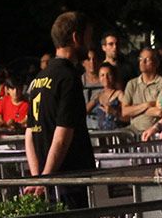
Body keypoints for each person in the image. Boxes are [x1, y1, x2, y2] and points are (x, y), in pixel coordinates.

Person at [25, 11, 96, 202]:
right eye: (88, 37)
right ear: (76, 37)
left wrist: (37, 176)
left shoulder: (39, 79)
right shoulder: (68, 79)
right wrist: (45, 179)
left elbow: (30, 134)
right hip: (70, 181)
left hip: (47, 179)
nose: (90, 46)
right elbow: (62, 136)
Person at [120, 48, 162, 133]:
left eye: (147, 59)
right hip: (133, 130)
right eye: (141, 59)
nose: (142, 62)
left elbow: (161, 111)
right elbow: (124, 111)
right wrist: (148, 104)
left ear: (156, 63)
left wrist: (134, 110)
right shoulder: (132, 84)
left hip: (154, 130)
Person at [87, 62, 123, 131]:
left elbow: (127, 117)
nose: (105, 78)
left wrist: (113, 112)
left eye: (108, 75)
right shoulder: (98, 95)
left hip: (116, 135)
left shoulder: (119, 94)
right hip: (102, 135)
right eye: (102, 75)